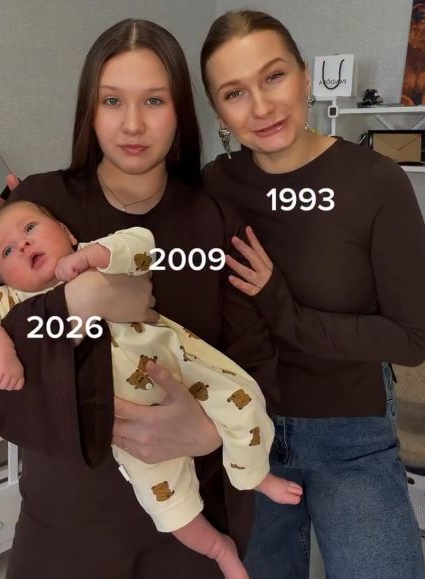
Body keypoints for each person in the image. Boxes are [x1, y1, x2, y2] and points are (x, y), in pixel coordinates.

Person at [0, 18, 280, 579]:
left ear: (180, 112)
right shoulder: (40, 205)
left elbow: (256, 364)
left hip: (189, 526)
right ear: (90, 109)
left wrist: (204, 432)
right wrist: (76, 303)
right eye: (112, 101)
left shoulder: (214, 221)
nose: (133, 124)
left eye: (154, 100)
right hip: (67, 526)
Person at [0, 200, 303, 579]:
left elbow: (140, 244)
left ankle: (254, 474)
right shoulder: (7, 299)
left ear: (67, 233)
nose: (23, 245)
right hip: (128, 424)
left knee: (244, 399)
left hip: (179, 365)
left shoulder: (93, 255)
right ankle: (218, 548)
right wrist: (3, 351)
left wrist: (92, 258)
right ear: (2, 278)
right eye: (8, 251)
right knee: (166, 501)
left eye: (30, 229)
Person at [199, 9, 425, 579]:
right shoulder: (215, 184)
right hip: (244, 433)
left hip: (349, 431)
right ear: (218, 112)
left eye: (274, 76)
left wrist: (283, 308)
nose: (261, 107)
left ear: (304, 75)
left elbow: (411, 339)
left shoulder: (376, 182)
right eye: (234, 93)